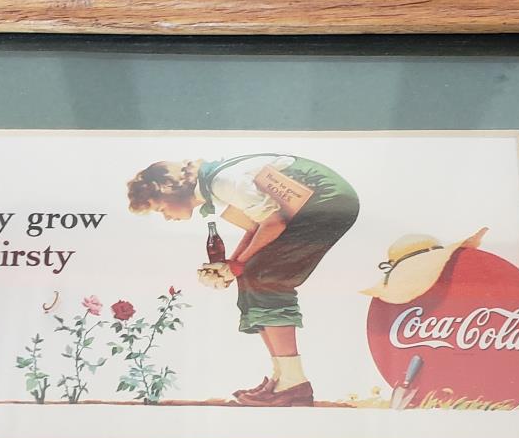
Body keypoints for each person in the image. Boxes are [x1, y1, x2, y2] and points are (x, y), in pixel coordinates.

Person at [127, 153, 359, 406]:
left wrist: (237, 265)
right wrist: (232, 266)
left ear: (170, 192)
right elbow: (257, 227)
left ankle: (294, 383)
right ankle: (282, 378)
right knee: (253, 274)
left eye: (160, 209)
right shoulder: (214, 186)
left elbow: (273, 224)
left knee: (267, 278)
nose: (165, 217)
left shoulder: (224, 182)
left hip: (328, 201)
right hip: (313, 203)